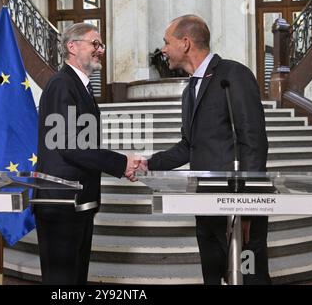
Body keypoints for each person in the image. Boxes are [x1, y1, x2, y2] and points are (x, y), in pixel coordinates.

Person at [138, 15, 270, 285]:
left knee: (250, 278)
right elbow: (188, 147)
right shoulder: (190, 89)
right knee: (213, 276)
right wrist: (147, 164)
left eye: (167, 42)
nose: (163, 49)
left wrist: (249, 204)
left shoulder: (234, 74)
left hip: (237, 203)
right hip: (206, 203)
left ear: (185, 43)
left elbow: (253, 141)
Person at [34, 22, 139, 284]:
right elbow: (69, 144)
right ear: (72, 46)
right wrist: (120, 162)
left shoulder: (81, 85)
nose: (100, 49)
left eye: (101, 44)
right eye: (95, 43)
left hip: (78, 200)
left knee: (76, 279)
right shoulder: (61, 84)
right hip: (60, 202)